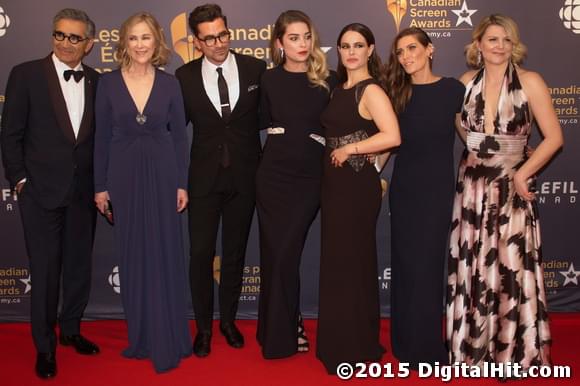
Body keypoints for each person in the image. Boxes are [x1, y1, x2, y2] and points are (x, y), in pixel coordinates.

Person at [446, 14, 563, 372]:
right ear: (478, 44)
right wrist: (483, 150)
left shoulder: (531, 82)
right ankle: (473, 346)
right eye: (492, 39)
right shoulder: (464, 83)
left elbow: (555, 138)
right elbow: (465, 133)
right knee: (474, 264)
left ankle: (514, 350)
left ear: (514, 45)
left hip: (512, 186)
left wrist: (522, 171)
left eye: (505, 40)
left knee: (510, 265)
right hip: (472, 189)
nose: (499, 46)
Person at [0, 8, 100, 379]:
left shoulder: (96, 80)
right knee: (44, 271)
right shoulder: (25, 75)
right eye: (59, 34)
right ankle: (45, 346)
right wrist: (20, 180)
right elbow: (10, 134)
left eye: (74, 37)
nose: (65, 43)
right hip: (39, 193)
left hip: (82, 193)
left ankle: (71, 329)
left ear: (88, 44)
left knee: (77, 266)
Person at [93, 12, 192, 373]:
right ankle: (142, 337)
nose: (139, 45)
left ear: (157, 42)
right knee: (133, 254)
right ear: (124, 43)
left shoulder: (170, 83)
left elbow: (180, 137)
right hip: (123, 173)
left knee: (166, 250)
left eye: (146, 38)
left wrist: (182, 182)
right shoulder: (107, 84)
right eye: (133, 38)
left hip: (163, 173)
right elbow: (100, 138)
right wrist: (100, 186)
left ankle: (170, 334)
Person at [175, 4, 266, 358]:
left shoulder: (255, 68)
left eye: (222, 34)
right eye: (209, 38)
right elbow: (172, 132)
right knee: (200, 254)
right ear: (196, 42)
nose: (218, 43)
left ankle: (228, 321)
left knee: (235, 254)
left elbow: (271, 120)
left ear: (229, 32)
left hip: (245, 177)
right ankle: (203, 328)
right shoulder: (183, 77)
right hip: (202, 180)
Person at [316, 23, 401, 374]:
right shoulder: (339, 89)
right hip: (334, 186)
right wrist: (369, 156)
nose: (351, 52)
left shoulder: (371, 90)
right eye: (344, 46)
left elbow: (393, 135)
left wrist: (355, 149)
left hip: (355, 189)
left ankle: (355, 346)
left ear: (370, 50)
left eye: (358, 45)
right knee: (339, 264)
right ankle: (341, 341)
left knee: (352, 263)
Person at [256, 10, 338, 359]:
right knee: (275, 255)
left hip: (309, 177)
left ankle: (283, 326)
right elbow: (257, 124)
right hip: (272, 175)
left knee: (286, 252)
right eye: (293, 38)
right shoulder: (268, 79)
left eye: (306, 37)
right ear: (279, 43)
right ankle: (284, 326)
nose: (302, 44)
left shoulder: (329, 79)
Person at [384, 27, 465, 369]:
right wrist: (371, 174)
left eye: (412, 48)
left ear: (430, 49)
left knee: (429, 266)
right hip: (404, 189)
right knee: (404, 265)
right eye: (400, 52)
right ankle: (403, 343)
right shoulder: (395, 92)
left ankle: (428, 345)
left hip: (436, 189)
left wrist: (511, 153)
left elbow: (468, 133)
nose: (406, 57)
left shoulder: (452, 89)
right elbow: (386, 141)